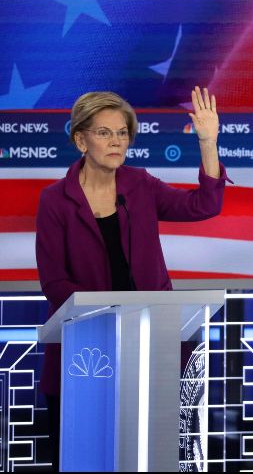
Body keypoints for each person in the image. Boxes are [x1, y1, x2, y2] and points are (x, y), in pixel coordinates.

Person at [35, 87, 229, 470]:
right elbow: (54, 283)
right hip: (86, 351)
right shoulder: (55, 200)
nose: (116, 141)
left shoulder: (140, 185)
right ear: (80, 139)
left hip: (151, 344)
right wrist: (110, 316)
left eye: (122, 132)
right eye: (104, 132)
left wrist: (208, 142)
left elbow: (203, 205)